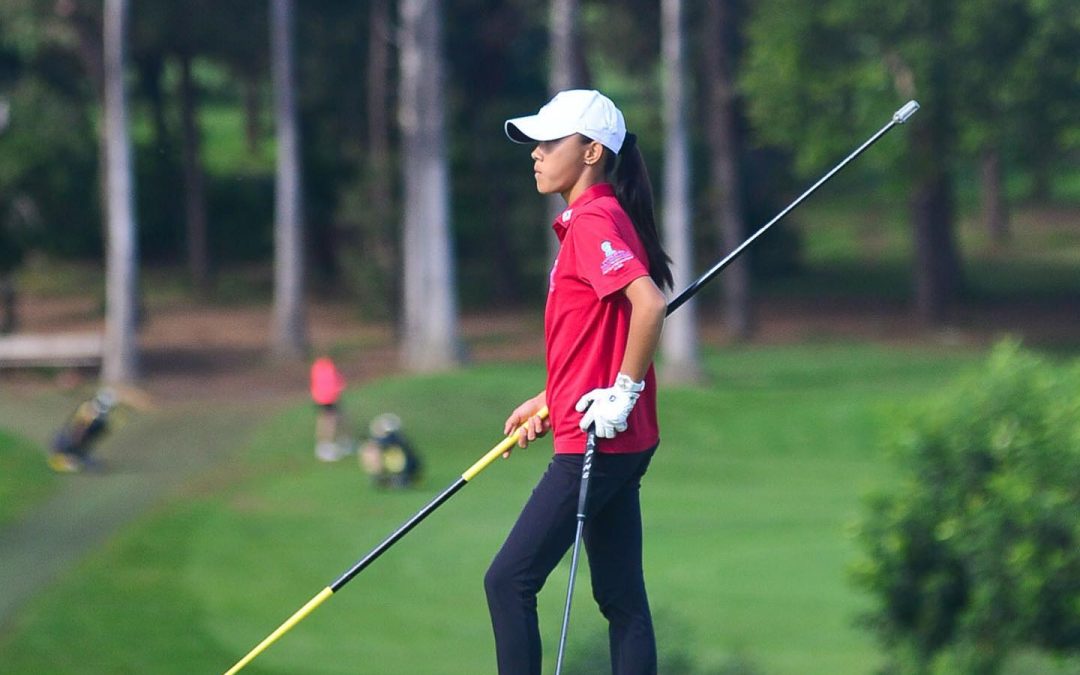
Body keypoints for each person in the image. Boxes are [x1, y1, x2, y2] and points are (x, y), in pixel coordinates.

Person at [484, 89, 672, 675]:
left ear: (592, 151)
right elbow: (599, 331)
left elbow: (649, 306)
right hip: (617, 435)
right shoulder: (601, 217)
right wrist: (551, 397)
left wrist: (623, 389)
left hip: (599, 440)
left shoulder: (593, 221)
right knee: (620, 599)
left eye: (549, 142)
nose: (536, 154)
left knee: (508, 580)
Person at [48, 388, 117, 472]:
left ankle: (74, 458)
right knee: (78, 461)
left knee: (89, 463)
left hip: (74, 443)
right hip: (65, 442)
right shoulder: (88, 409)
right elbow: (79, 428)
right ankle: (68, 457)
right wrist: (77, 444)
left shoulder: (101, 416)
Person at [310, 356, 349, 462]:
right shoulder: (329, 368)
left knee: (328, 419)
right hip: (329, 398)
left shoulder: (317, 368)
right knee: (330, 421)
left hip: (320, 398)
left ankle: (328, 443)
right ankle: (327, 445)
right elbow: (338, 383)